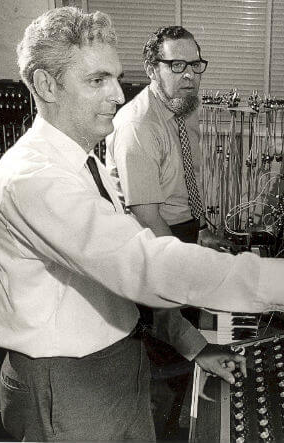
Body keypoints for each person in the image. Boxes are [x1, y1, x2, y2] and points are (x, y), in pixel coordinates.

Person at [0, 7, 284, 441]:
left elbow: (122, 283)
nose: (118, 95)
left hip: (118, 361)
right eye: (97, 80)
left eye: (115, 78)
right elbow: (146, 265)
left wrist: (195, 347)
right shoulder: (35, 180)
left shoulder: (84, 162)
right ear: (47, 85)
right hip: (68, 385)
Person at [105, 26, 230, 386]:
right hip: (154, 239)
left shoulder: (184, 105)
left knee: (192, 333)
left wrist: (201, 229)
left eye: (195, 64)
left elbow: (187, 176)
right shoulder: (138, 125)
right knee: (169, 349)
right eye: (177, 65)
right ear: (151, 69)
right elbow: (146, 216)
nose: (189, 75)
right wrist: (185, 265)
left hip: (181, 230)